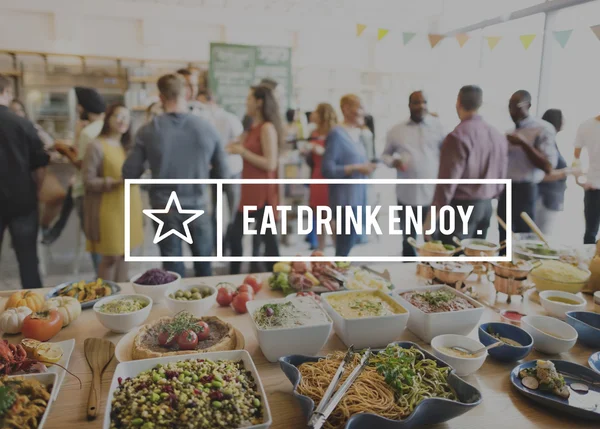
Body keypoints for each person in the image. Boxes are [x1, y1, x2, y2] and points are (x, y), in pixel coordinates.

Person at [123, 74, 229, 277]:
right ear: (186, 94)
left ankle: (176, 308)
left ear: (161, 97)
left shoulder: (148, 130)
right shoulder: (206, 128)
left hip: (164, 208)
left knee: (172, 272)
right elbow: (223, 175)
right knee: (204, 268)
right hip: (198, 206)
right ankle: (208, 308)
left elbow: (129, 173)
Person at [427, 85, 508, 243]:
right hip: (485, 207)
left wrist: (431, 220)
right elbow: (502, 177)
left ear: (458, 102)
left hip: (461, 209)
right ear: (480, 104)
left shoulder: (457, 136)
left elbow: (446, 184)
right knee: (475, 260)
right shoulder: (497, 135)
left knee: (450, 262)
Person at [82, 104, 143, 282]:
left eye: (126, 117)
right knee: (111, 257)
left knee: (126, 255)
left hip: (130, 206)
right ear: (108, 119)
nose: (122, 120)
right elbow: (87, 180)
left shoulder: (129, 147)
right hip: (108, 209)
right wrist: (114, 182)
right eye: (117, 116)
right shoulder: (96, 146)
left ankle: (123, 299)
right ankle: (106, 298)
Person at [227, 85, 284, 274]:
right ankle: (235, 278)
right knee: (236, 237)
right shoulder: (252, 127)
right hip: (249, 194)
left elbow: (270, 164)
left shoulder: (267, 128)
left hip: (263, 195)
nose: (246, 102)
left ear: (259, 102)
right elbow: (236, 145)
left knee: (268, 245)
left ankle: (276, 282)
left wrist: (243, 151)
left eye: (249, 99)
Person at [0, 74, 49, 288]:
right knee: (28, 260)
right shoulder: (23, 124)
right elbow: (39, 166)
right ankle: (36, 310)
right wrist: (37, 191)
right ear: (8, 93)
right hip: (22, 200)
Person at [382, 91, 445, 256]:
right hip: (406, 195)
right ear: (409, 105)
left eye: (424, 102)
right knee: (408, 239)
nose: (421, 106)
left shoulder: (439, 128)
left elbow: (447, 157)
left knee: (433, 240)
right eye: (416, 102)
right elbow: (384, 155)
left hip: (432, 195)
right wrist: (393, 161)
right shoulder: (396, 130)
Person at [49, 87, 106, 269]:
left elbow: (81, 164)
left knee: (93, 238)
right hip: (105, 190)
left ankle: (101, 278)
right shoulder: (104, 127)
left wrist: (64, 150)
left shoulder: (88, 132)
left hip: (86, 192)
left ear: (82, 108)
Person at [498, 90, 557, 243]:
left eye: (516, 106)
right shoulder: (509, 132)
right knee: (503, 233)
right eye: (509, 106)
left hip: (526, 189)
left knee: (523, 236)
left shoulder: (542, 129)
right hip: (506, 189)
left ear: (528, 105)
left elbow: (548, 166)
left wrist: (524, 144)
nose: (512, 111)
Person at [322, 94, 377, 257]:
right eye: (359, 107)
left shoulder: (357, 135)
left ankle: (339, 274)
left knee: (350, 242)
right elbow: (328, 169)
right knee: (345, 245)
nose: (363, 112)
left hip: (357, 197)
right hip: (344, 200)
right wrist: (357, 167)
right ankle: (337, 276)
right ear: (345, 109)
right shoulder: (337, 134)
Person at [195, 88, 244, 254]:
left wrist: (221, 150)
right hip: (214, 171)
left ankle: (233, 244)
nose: (199, 107)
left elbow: (240, 141)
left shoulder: (229, 118)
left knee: (234, 210)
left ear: (211, 101)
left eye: (202, 102)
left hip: (232, 170)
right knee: (215, 210)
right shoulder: (202, 120)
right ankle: (218, 245)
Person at [536, 109, 577, 234]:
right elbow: (542, 175)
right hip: (544, 198)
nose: (564, 121)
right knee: (540, 238)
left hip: (550, 199)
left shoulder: (551, 142)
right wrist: (567, 171)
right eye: (562, 118)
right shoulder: (545, 143)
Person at [303, 103, 338, 251]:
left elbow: (337, 156)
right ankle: (320, 250)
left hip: (328, 178)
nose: (313, 114)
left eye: (317, 111)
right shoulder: (314, 132)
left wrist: (321, 151)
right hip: (316, 176)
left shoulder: (335, 132)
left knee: (330, 217)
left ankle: (339, 251)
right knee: (319, 216)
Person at [573, 114, 600, 244]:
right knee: (590, 232)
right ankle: (590, 263)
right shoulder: (587, 126)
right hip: (593, 185)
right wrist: (580, 179)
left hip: (593, 185)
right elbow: (576, 157)